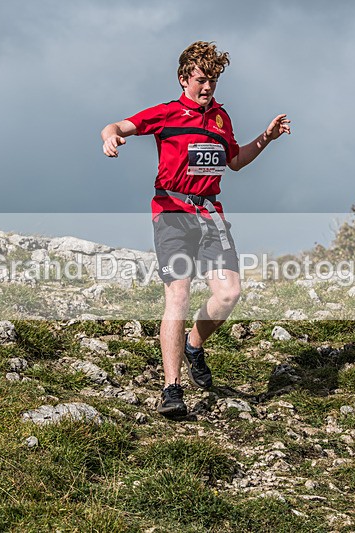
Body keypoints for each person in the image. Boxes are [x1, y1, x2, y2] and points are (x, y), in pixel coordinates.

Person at [101, 41, 291, 418]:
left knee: (229, 293)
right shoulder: (166, 113)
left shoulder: (221, 117)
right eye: (202, 80)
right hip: (171, 212)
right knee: (179, 297)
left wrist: (266, 138)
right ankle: (172, 389)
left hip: (210, 216)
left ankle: (194, 343)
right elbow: (118, 124)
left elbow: (235, 160)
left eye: (214, 81)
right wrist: (110, 137)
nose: (208, 88)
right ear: (184, 78)